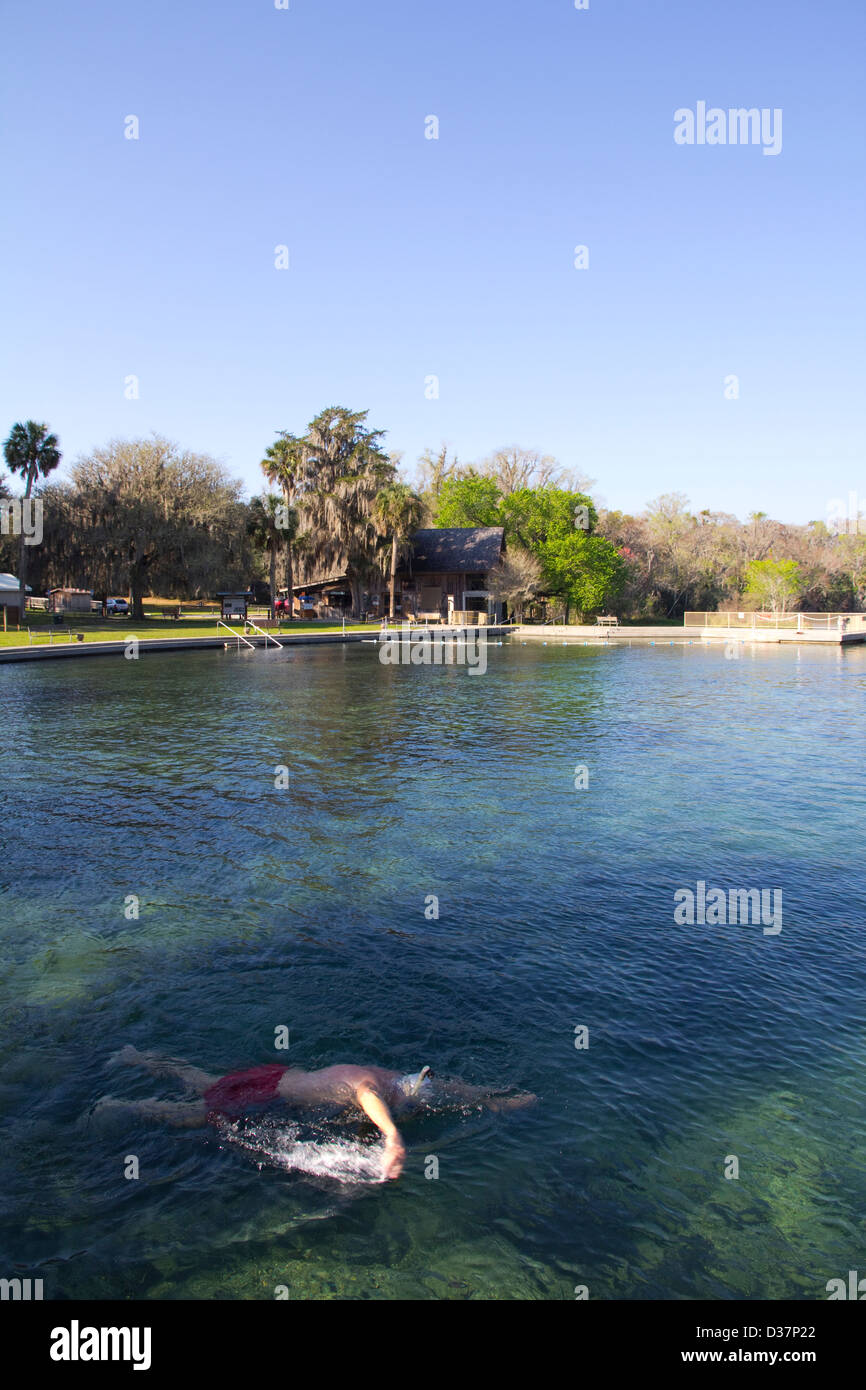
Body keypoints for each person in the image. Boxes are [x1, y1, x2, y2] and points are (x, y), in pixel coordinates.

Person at [93, 1047, 536, 1180]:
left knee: (204, 1082)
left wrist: (495, 1098)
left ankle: (139, 1058)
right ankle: (125, 1105)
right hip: (267, 1093)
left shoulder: (390, 1077)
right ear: (396, 1098)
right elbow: (368, 1098)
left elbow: (433, 1086)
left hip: (278, 1077)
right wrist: (392, 1138)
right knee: (198, 1112)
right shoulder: (370, 1085)